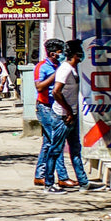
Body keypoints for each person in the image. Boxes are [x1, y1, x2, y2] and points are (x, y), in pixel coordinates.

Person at [51, 40, 98, 191]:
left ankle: (83, 182)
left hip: (72, 116)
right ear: (76, 55)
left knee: (75, 149)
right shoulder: (65, 69)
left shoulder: (73, 69)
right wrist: (69, 111)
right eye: (80, 52)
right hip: (63, 117)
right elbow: (56, 91)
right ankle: (49, 183)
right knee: (55, 149)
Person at [32, 39, 67, 190]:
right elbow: (39, 87)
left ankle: (40, 175)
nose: (62, 54)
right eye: (60, 52)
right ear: (53, 53)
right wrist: (56, 75)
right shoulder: (42, 67)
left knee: (48, 143)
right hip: (45, 107)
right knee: (55, 142)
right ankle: (61, 177)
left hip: (56, 107)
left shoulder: (59, 66)